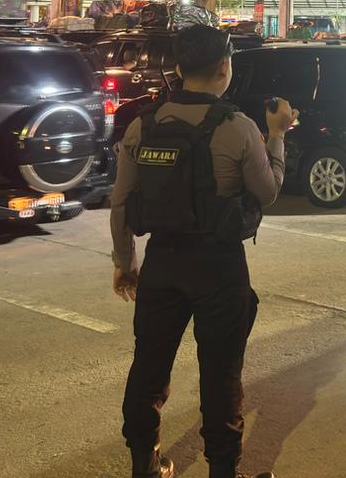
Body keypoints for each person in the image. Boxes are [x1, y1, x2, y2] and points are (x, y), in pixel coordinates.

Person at [111, 24, 296, 478]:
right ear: (224, 68)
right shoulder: (238, 128)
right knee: (221, 373)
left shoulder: (143, 124)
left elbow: (121, 203)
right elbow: (268, 191)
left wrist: (125, 264)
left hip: (162, 261)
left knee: (149, 367)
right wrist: (278, 134)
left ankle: (144, 465)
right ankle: (223, 471)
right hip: (219, 266)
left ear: (178, 69)